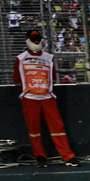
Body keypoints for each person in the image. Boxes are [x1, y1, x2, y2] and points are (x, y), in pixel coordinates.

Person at [13, 29, 79, 167]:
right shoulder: (20, 58)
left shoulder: (49, 57)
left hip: (47, 97)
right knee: (34, 129)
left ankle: (68, 157)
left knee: (58, 127)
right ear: (28, 40)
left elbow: (53, 77)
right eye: (33, 39)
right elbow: (16, 79)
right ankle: (40, 157)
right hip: (29, 98)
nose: (36, 41)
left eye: (38, 39)